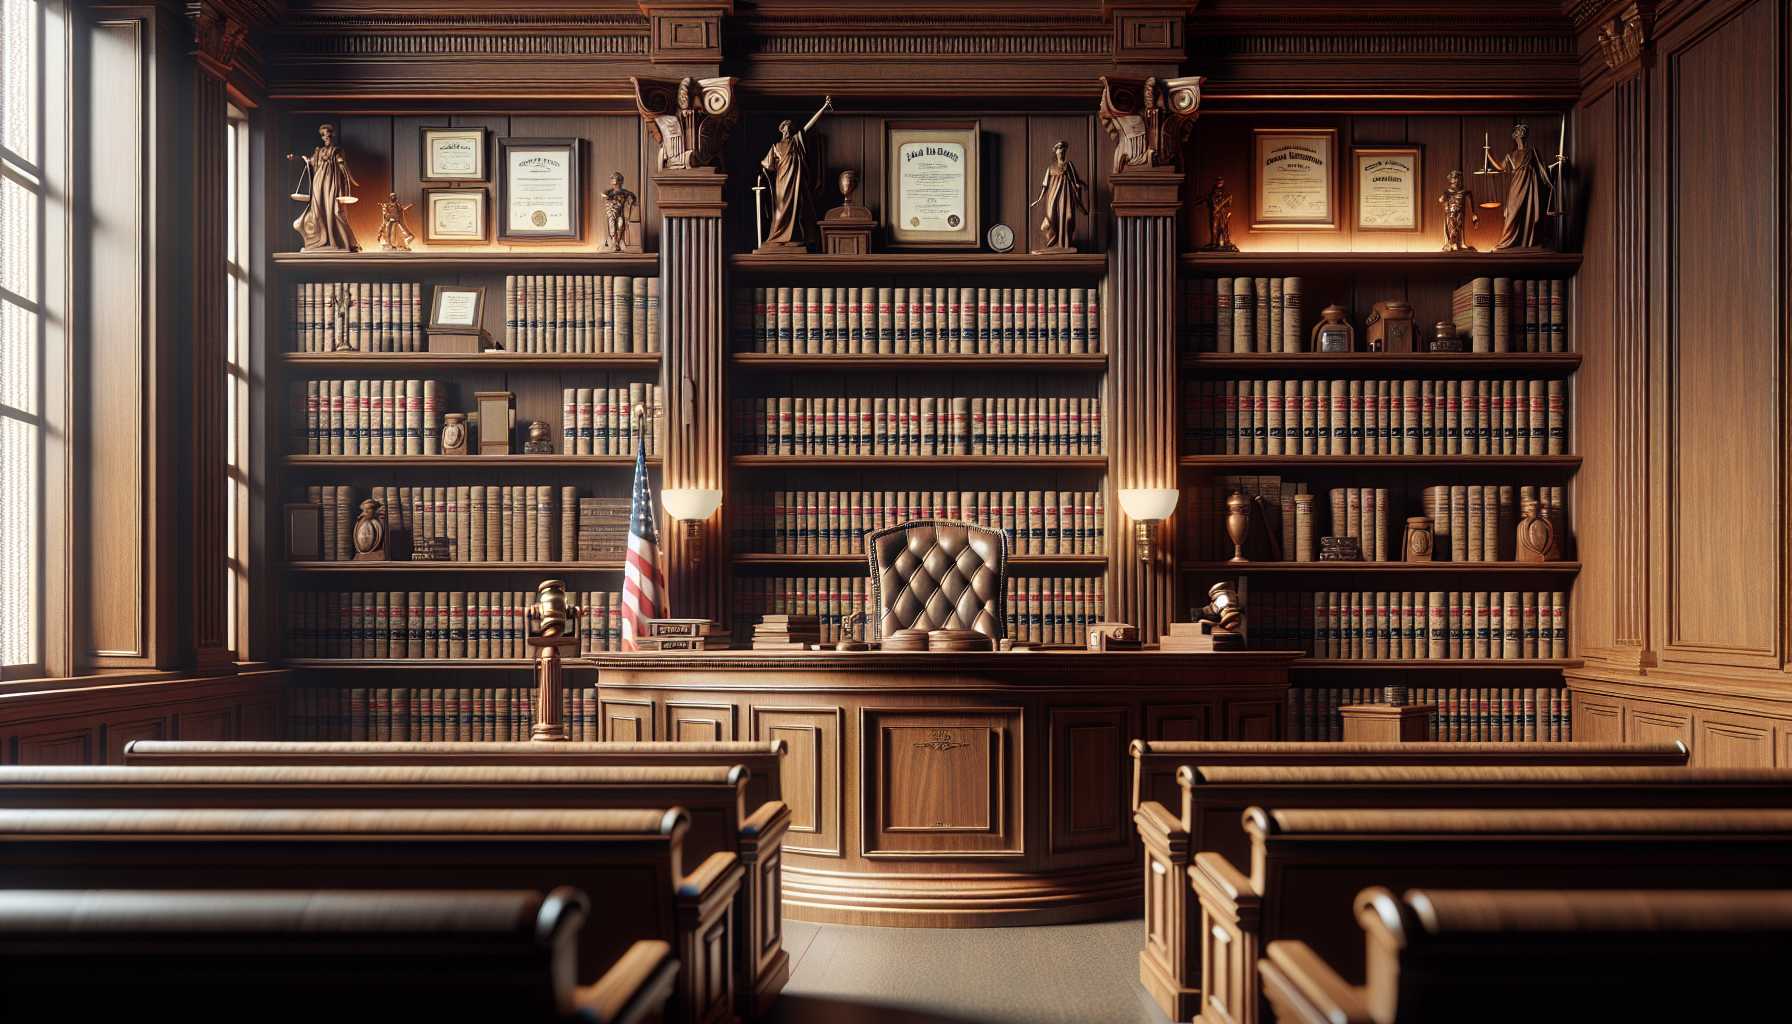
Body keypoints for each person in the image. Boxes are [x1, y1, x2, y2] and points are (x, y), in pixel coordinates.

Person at [759, 97, 833, 249]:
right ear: (781, 129)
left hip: (797, 180)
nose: (788, 129)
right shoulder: (776, 146)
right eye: (785, 127)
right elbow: (767, 164)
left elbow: (809, 125)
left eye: (790, 127)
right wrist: (762, 175)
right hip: (782, 181)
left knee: (798, 208)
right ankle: (777, 237)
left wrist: (824, 108)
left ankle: (794, 237)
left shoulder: (796, 141)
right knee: (781, 209)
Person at [287, 123, 360, 252]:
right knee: (317, 210)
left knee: (333, 210)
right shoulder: (318, 151)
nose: (327, 136)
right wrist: (298, 158)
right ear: (321, 137)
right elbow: (309, 163)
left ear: (333, 134)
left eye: (329, 133)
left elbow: (342, 165)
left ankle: (337, 241)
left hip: (331, 183)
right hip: (318, 183)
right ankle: (319, 241)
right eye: (324, 134)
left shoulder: (336, 150)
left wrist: (344, 168)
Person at [1496, 123, 1551, 250]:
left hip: (1530, 186)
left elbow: (1543, 169)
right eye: (1518, 133)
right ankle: (1506, 241)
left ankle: (1527, 242)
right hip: (1516, 185)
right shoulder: (1511, 155)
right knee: (1512, 213)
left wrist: (1554, 172)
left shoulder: (1532, 151)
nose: (1520, 135)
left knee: (1529, 213)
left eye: (1523, 133)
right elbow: (1501, 168)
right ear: (1515, 136)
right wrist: (1488, 154)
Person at [1029, 141, 1088, 253]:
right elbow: (1045, 185)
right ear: (1055, 152)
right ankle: (1054, 243)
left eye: (1063, 149)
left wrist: (1082, 186)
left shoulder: (1069, 164)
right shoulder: (1050, 167)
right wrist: (1038, 199)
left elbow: (1075, 180)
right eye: (1059, 149)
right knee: (1051, 218)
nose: (1061, 151)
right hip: (1053, 197)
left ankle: (1064, 244)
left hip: (1066, 196)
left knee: (1068, 217)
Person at [1438, 169, 1478, 252]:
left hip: (1460, 213)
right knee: (1451, 227)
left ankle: (1461, 243)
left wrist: (1474, 215)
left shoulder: (1464, 192)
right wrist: (1445, 203)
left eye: (1458, 178)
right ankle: (1452, 244)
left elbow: (1470, 203)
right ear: (1451, 180)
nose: (1456, 180)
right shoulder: (1447, 192)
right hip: (1450, 213)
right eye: (1454, 178)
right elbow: (1441, 200)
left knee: (1459, 227)